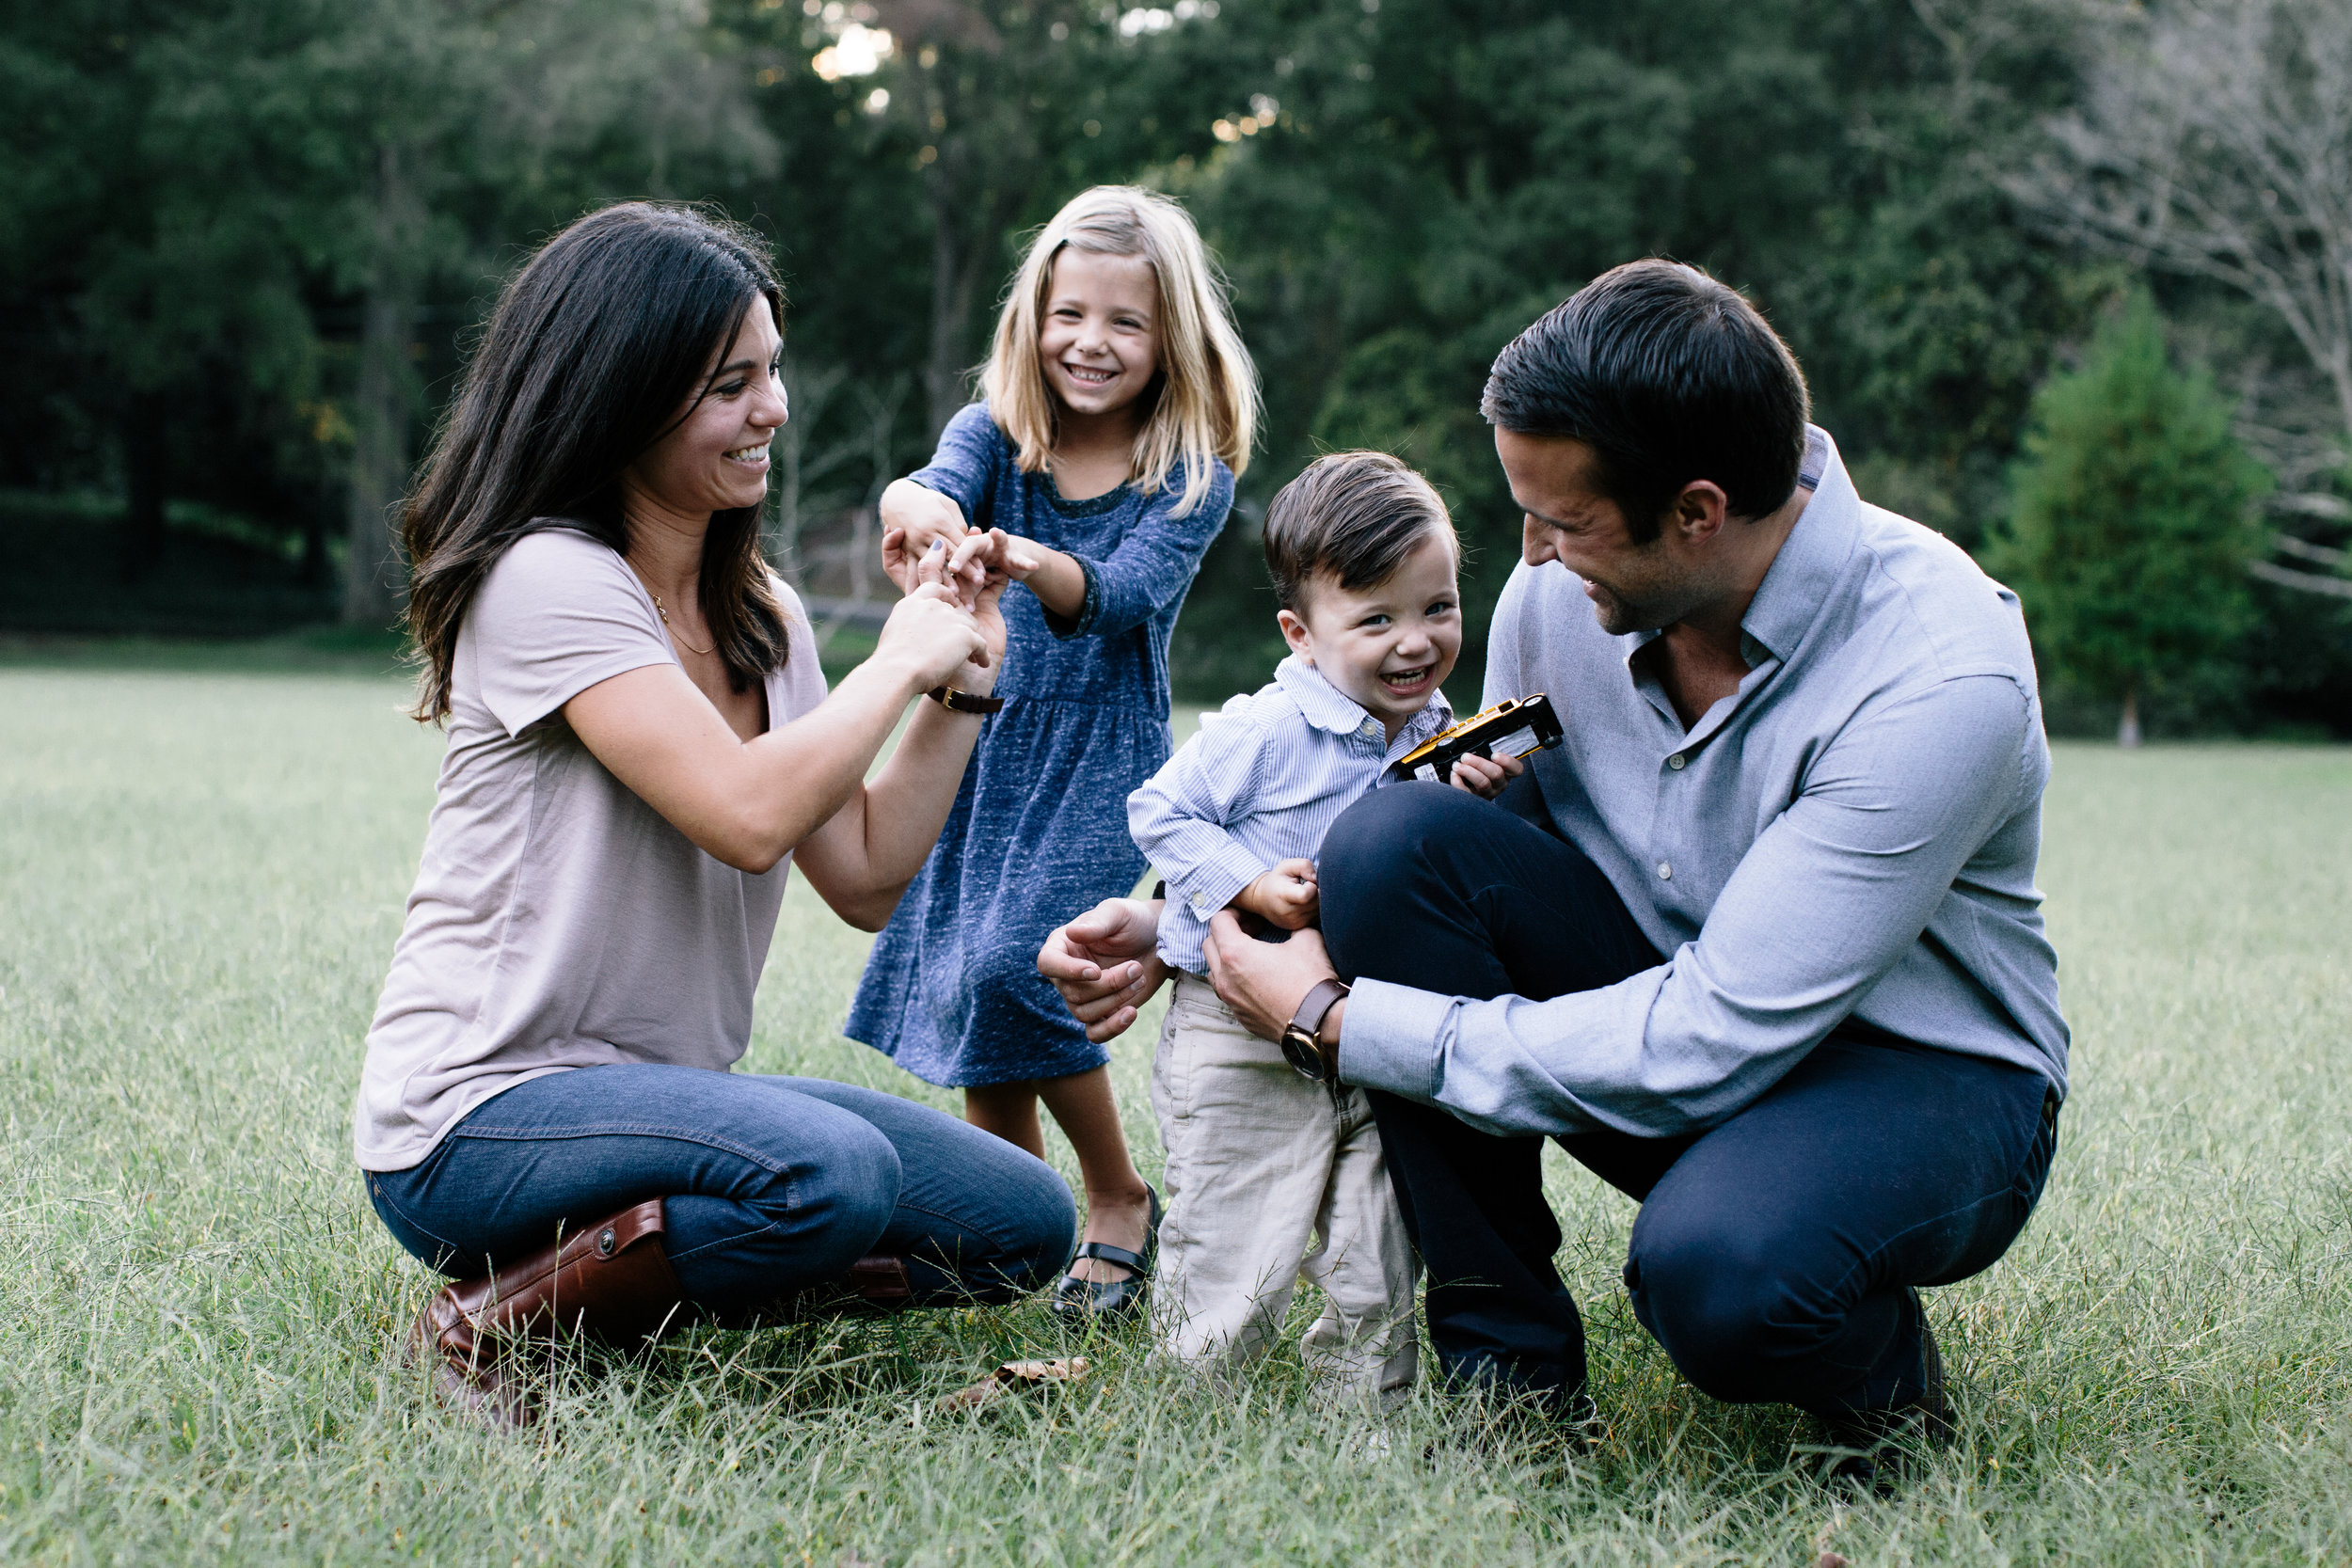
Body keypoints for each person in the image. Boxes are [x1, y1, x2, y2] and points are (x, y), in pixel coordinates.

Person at [1041, 260, 2067, 1490]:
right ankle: (1510, 1391)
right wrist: (1198, 915)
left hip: (1917, 1073)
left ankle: (1883, 1383)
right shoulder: (1559, 598)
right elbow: (1433, 815)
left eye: (1562, 522)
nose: (1527, 554)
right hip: (1666, 994)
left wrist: (1337, 1020)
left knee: (1722, 1274)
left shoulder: (1940, 678)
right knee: (1393, 848)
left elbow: (1714, 1033)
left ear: (1697, 510)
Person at [358, 203, 1074, 1431]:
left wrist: (963, 680)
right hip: (479, 1117)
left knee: (1021, 1221)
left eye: (773, 371)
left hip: (657, 1105)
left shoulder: (762, 615)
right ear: (621, 396)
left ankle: (617, 1301)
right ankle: (488, 1325)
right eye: (728, 384)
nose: (773, 409)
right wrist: (895, 659)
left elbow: (859, 872)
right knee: (826, 1173)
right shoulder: (548, 578)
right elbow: (744, 814)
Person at [843, 185, 1259, 1319]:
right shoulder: (995, 431)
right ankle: (1004, 1217)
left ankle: (1118, 1196)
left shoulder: (1189, 475)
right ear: (1033, 317)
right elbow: (919, 484)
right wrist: (924, 517)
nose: (1091, 341)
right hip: (975, 738)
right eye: (1069, 313)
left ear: (1170, 336)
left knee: (1019, 966)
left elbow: (1115, 597)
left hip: (1096, 753)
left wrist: (1017, 555)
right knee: (980, 987)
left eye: (1125, 321)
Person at [1126, 452, 1462, 1404]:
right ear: (1301, 634)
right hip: (1237, 1033)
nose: (1414, 642)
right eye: (1376, 619)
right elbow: (1160, 808)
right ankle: (1193, 1406)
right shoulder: (1267, 728)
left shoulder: (1434, 727)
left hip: (1368, 1026)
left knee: (1377, 1235)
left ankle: (1366, 1414)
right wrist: (1248, 883)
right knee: (1233, 1228)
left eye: (1436, 606)